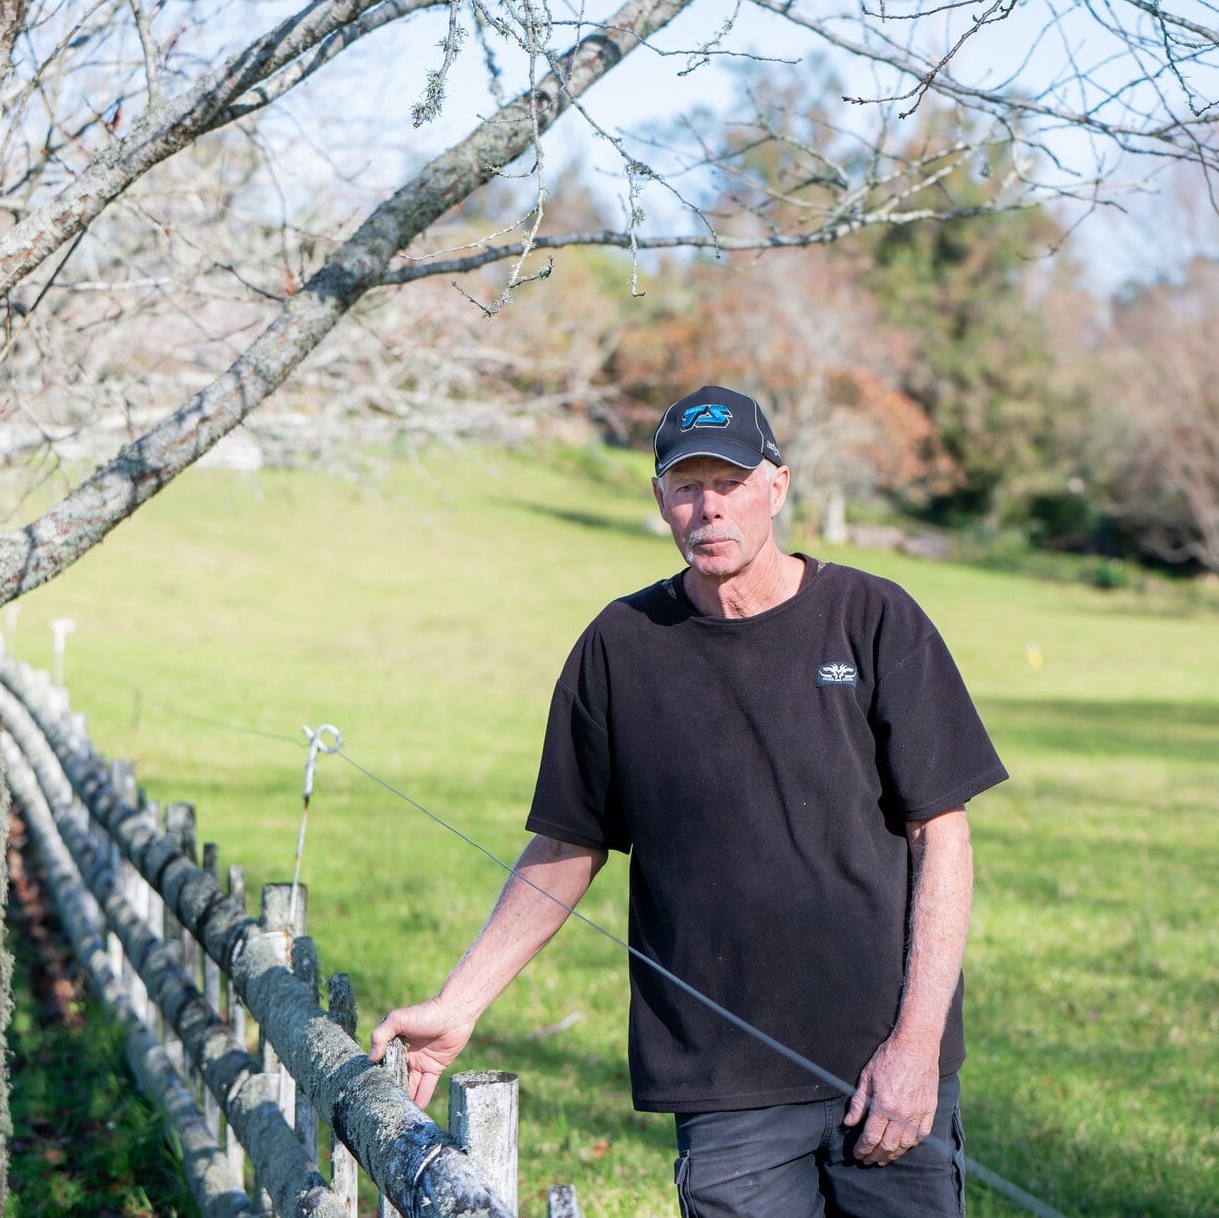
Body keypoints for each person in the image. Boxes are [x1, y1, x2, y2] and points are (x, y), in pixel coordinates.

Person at [371, 385, 1009, 1218]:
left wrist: (918, 1045)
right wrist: (459, 1005)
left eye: (731, 480)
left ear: (776, 486)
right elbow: (567, 847)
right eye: (686, 485)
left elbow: (943, 838)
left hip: (885, 1070)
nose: (709, 507)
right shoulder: (620, 646)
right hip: (722, 1085)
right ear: (660, 499)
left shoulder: (874, 619)